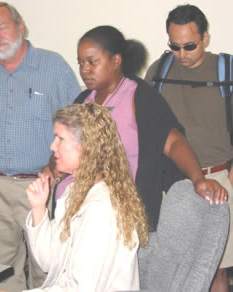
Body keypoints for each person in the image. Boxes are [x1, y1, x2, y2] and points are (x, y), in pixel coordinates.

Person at [0, 2, 80, 291]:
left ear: (21, 27)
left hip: (41, 185)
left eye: (3, 27)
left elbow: (79, 122)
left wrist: (55, 168)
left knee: (46, 268)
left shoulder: (53, 65)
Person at [68, 25, 227, 232]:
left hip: (125, 213)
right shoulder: (82, 101)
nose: (84, 70)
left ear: (116, 61)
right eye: (80, 63)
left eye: (92, 62)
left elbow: (173, 142)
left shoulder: (139, 96)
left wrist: (198, 179)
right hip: (83, 209)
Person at [0, 103, 149, 292]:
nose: (52, 146)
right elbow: (49, 262)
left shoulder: (104, 210)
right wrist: (39, 209)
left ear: (87, 147)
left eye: (60, 139)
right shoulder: (75, 191)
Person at [144, 4, 233, 291]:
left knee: (215, 269)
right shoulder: (158, 71)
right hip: (170, 184)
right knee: (168, 268)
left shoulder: (227, 70)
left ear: (205, 38)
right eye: (175, 46)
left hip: (219, 180)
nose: (181, 54)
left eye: (190, 46)